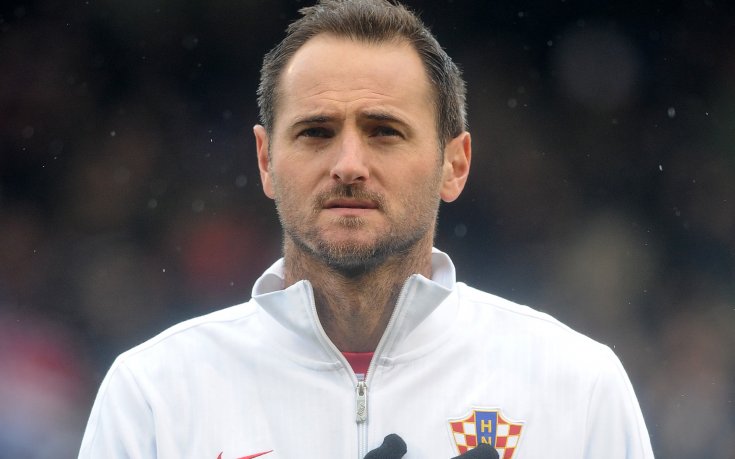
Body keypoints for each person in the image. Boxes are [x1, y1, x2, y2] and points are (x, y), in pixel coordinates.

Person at [79, 1, 654, 458]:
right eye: (316, 131)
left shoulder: (577, 386)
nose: (349, 164)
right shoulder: (154, 394)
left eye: (384, 131)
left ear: (454, 164)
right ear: (266, 161)